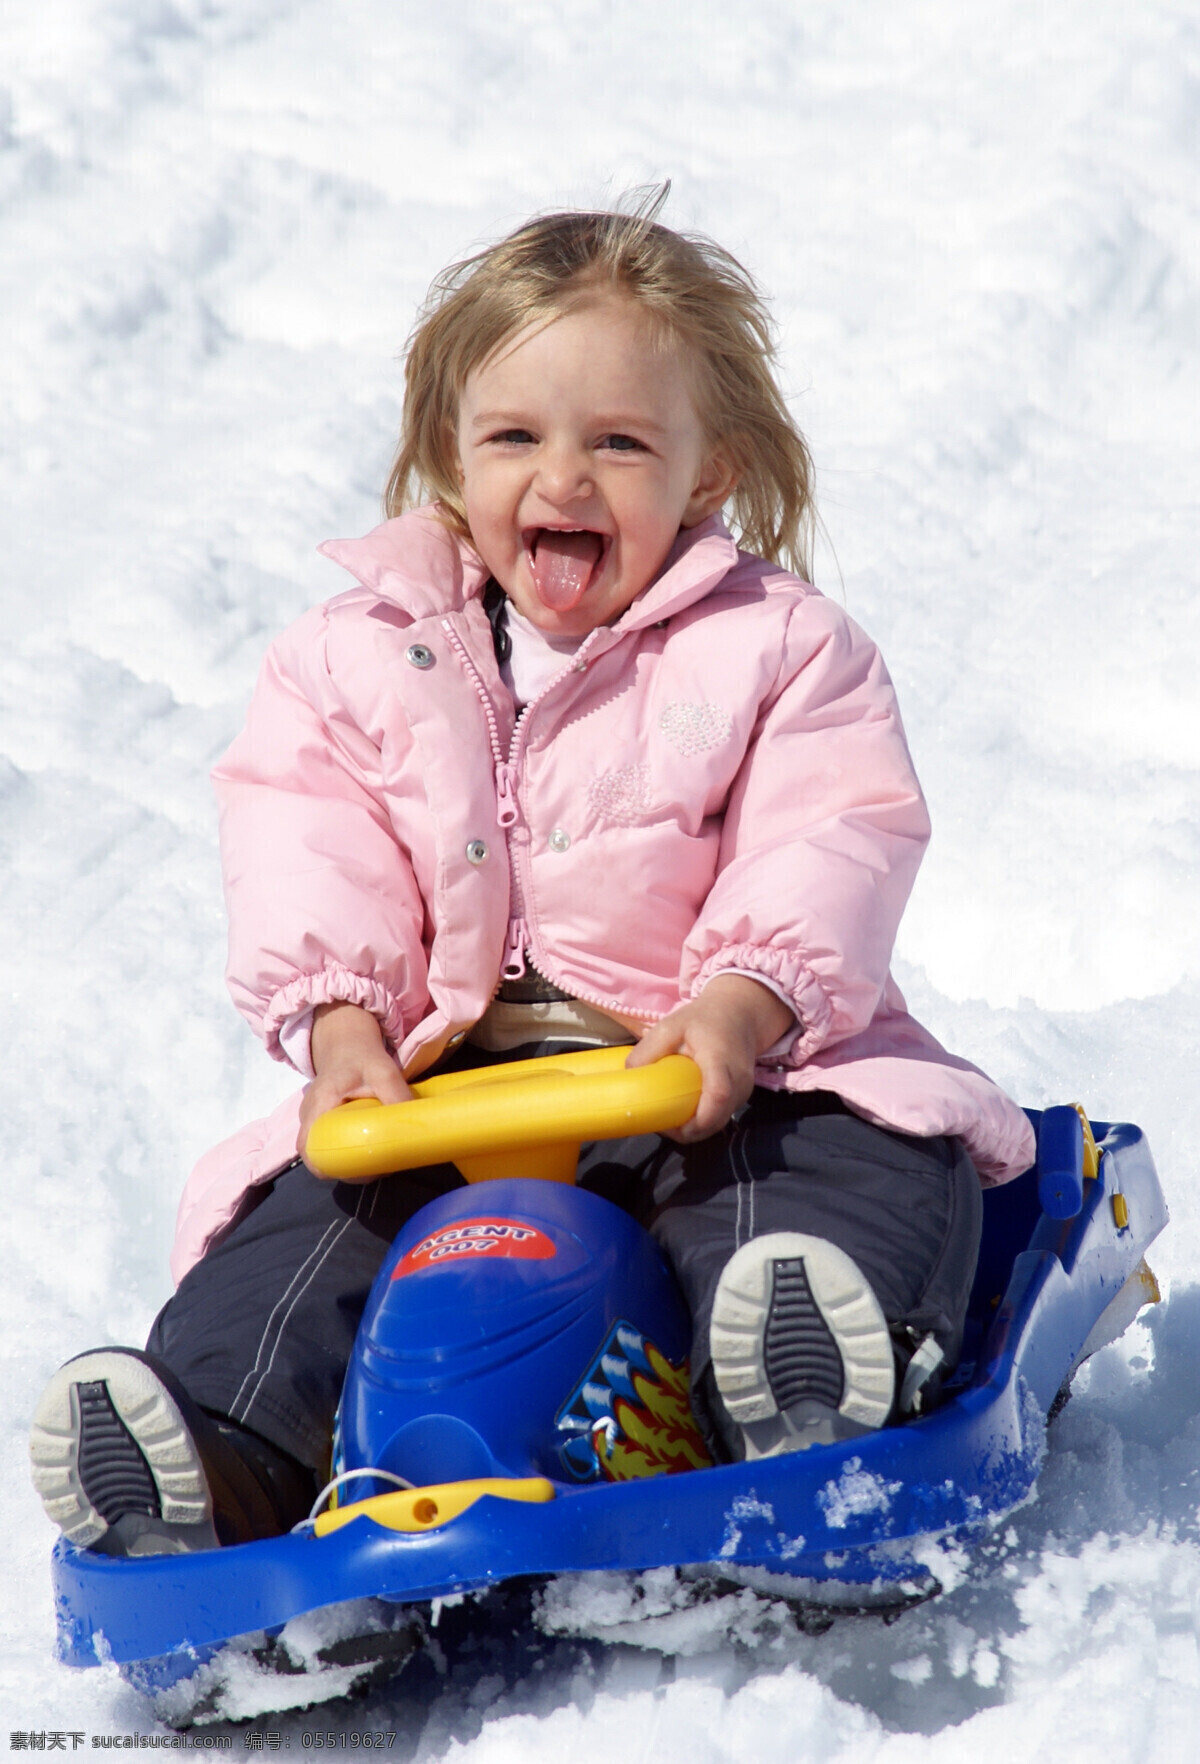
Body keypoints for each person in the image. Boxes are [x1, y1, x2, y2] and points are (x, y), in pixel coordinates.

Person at [30, 199, 1035, 1558]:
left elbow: (831, 834)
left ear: (707, 474)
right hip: (441, 1092)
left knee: (825, 1177)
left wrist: (745, 1002)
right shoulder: (358, 659)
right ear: (452, 457)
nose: (562, 479)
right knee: (301, 1245)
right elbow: (304, 838)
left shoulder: (780, 650)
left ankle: (801, 1387)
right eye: (515, 438)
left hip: (718, 1071)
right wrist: (342, 1022)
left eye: (618, 443)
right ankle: (219, 1464)